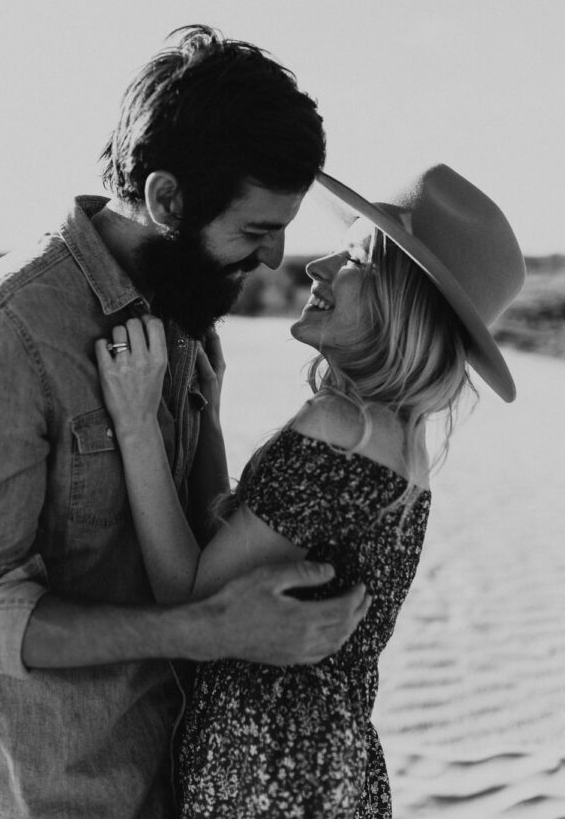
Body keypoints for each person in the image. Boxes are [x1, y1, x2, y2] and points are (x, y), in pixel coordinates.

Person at [0, 26, 371, 819]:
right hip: (70, 794)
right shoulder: (7, 325)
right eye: (256, 230)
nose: (274, 258)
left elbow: (196, 532)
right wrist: (206, 629)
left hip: (195, 786)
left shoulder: (189, 308)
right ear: (166, 200)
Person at [96, 164, 526, 818]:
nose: (316, 267)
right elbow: (235, 559)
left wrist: (135, 424)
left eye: (354, 260)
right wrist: (208, 423)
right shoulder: (399, 447)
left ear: (400, 305)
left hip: (262, 780)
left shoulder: (337, 428)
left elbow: (188, 600)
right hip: (335, 773)